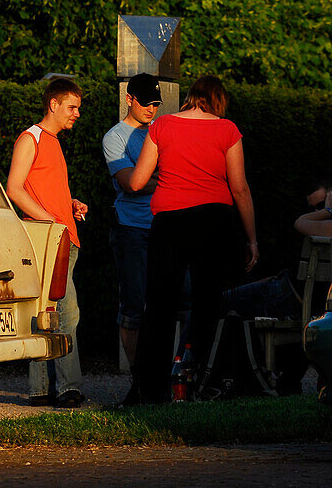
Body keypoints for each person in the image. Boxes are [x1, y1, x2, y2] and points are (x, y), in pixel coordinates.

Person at [126, 75, 258, 404]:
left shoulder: (162, 126)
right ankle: (204, 379)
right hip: (214, 221)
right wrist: (252, 239)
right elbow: (239, 188)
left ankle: (149, 390)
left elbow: (138, 181)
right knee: (208, 302)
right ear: (218, 100)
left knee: (158, 305)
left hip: (169, 222)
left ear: (190, 96)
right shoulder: (227, 130)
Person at [6, 77, 88, 407]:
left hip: (62, 237)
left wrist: (70, 205)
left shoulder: (52, 141)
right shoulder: (32, 138)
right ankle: (69, 388)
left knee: (48, 312)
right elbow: (14, 189)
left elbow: (43, 189)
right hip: (51, 241)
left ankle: (40, 391)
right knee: (68, 312)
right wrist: (50, 222)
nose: (76, 114)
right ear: (53, 104)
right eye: (72, 107)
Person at [102, 73, 162, 367]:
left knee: (175, 302)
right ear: (129, 99)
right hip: (131, 227)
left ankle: (167, 374)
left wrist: (153, 179)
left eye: (156, 104)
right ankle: (138, 377)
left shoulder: (160, 130)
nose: (151, 109)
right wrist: (165, 179)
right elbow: (130, 184)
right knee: (134, 305)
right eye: (146, 103)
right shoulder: (114, 137)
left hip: (162, 225)